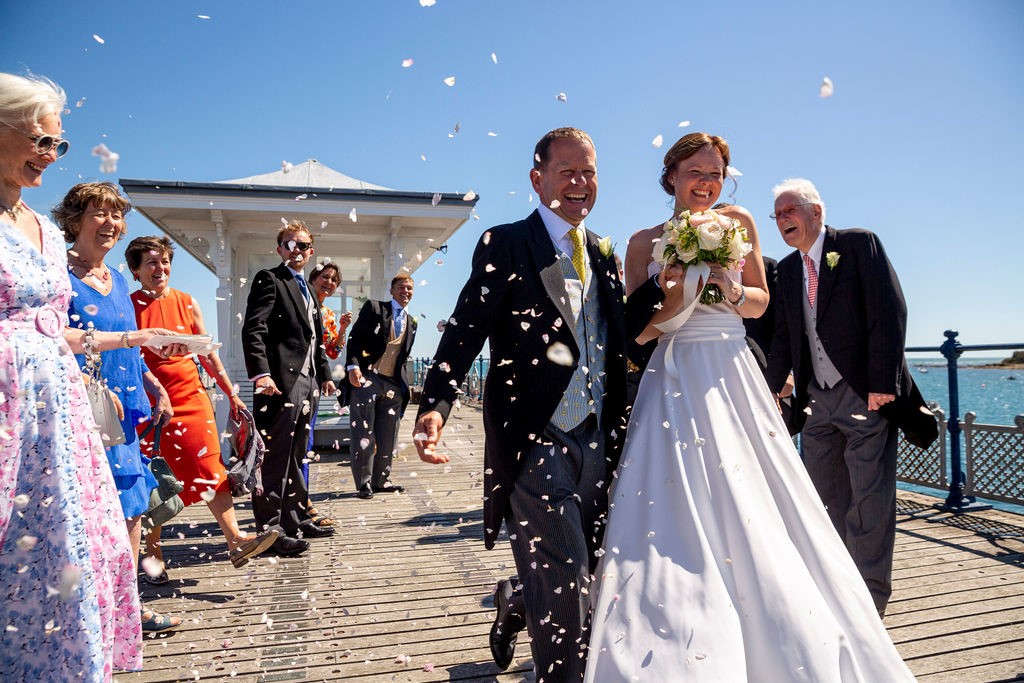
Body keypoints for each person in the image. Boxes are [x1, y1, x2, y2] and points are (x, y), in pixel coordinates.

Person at [584, 139, 916, 681]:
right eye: (696, 173)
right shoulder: (643, 242)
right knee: (672, 497)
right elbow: (637, 334)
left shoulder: (736, 222)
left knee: (757, 494)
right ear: (670, 177)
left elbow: (761, 299)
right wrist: (673, 292)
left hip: (732, 368)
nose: (707, 184)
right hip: (674, 373)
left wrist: (728, 288)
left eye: (716, 174)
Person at [414, 127, 628, 680]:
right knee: (565, 591)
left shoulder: (604, 251)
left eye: (590, 172)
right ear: (538, 179)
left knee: (591, 574)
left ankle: (515, 598)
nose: (582, 184)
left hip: (598, 437)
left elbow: (618, 336)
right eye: (568, 172)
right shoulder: (506, 243)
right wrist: (436, 403)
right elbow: (465, 327)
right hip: (536, 441)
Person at [0, 71, 145, 681]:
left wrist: (134, 340)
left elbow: (56, 329)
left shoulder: (42, 229)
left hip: (56, 407)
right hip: (7, 404)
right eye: (39, 139)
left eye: (58, 145)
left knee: (74, 542)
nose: (49, 154)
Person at [765, 178, 935, 616]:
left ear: (815, 212)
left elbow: (889, 311)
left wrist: (883, 381)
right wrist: (772, 385)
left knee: (870, 501)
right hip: (815, 401)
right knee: (824, 502)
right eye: (778, 215)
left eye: (790, 211)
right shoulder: (785, 270)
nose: (783, 220)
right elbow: (785, 335)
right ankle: (836, 594)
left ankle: (870, 603)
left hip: (865, 395)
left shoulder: (859, 245)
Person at [55, 181, 189, 635]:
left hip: (126, 410)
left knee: (131, 508)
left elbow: (130, 351)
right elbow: (51, 341)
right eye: (99, 213)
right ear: (74, 220)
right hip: (82, 410)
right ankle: (85, 610)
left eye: (117, 215)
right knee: (89, 510)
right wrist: (89, 382)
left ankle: (125, 604)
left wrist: (155, 386)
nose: (111, 223)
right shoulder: (58, 273)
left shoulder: (115, 280)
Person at [126, 236, 279, 582]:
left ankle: (236, 541)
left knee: (211, 468)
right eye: (151, 262)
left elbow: (208, 354)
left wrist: (232, 394)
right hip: (151, 402)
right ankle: (153, 554)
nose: (160, 268)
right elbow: (128, 355)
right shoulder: (127, 304)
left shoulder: (187, 302)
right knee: (155, 479)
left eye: (164, 261)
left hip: (193, 398)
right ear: (135, 270)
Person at [241, 219, 337, 556]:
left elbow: (316, 339)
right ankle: (270, 533)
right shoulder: (271, 279)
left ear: (311, 252)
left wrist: (323, 374)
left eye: (304, 246)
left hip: (307, 382)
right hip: (279, 383)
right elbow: (254, 329)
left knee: (298, 455)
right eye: (290, 244)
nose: (297, 250)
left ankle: (295, 520)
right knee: (274, 459)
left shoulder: (308, 289)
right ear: (280, 249)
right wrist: (261, 374)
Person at [345, 274, 416, 499]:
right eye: (401, 287)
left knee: (389, 435)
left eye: (410, 288)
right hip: (368, 378)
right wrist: (352, 366)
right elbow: (355, 338)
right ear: (392, 290)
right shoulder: (375, 308)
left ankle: (382, 480)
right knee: (363, 432)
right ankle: (364, 483)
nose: (406, 291)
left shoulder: (412, 321)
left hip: (393, 383)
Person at [303, 261, 352, 524]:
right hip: (294, 378)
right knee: (297, 442)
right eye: (325, 277)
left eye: (335, 279)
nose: (329, 282)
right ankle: (299, 501)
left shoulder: (329, 315)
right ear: (313, 278)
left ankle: (302, 498)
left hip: (313, 380)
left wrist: (342, 329)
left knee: (306, 441)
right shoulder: (302, 303)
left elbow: (332, 351)